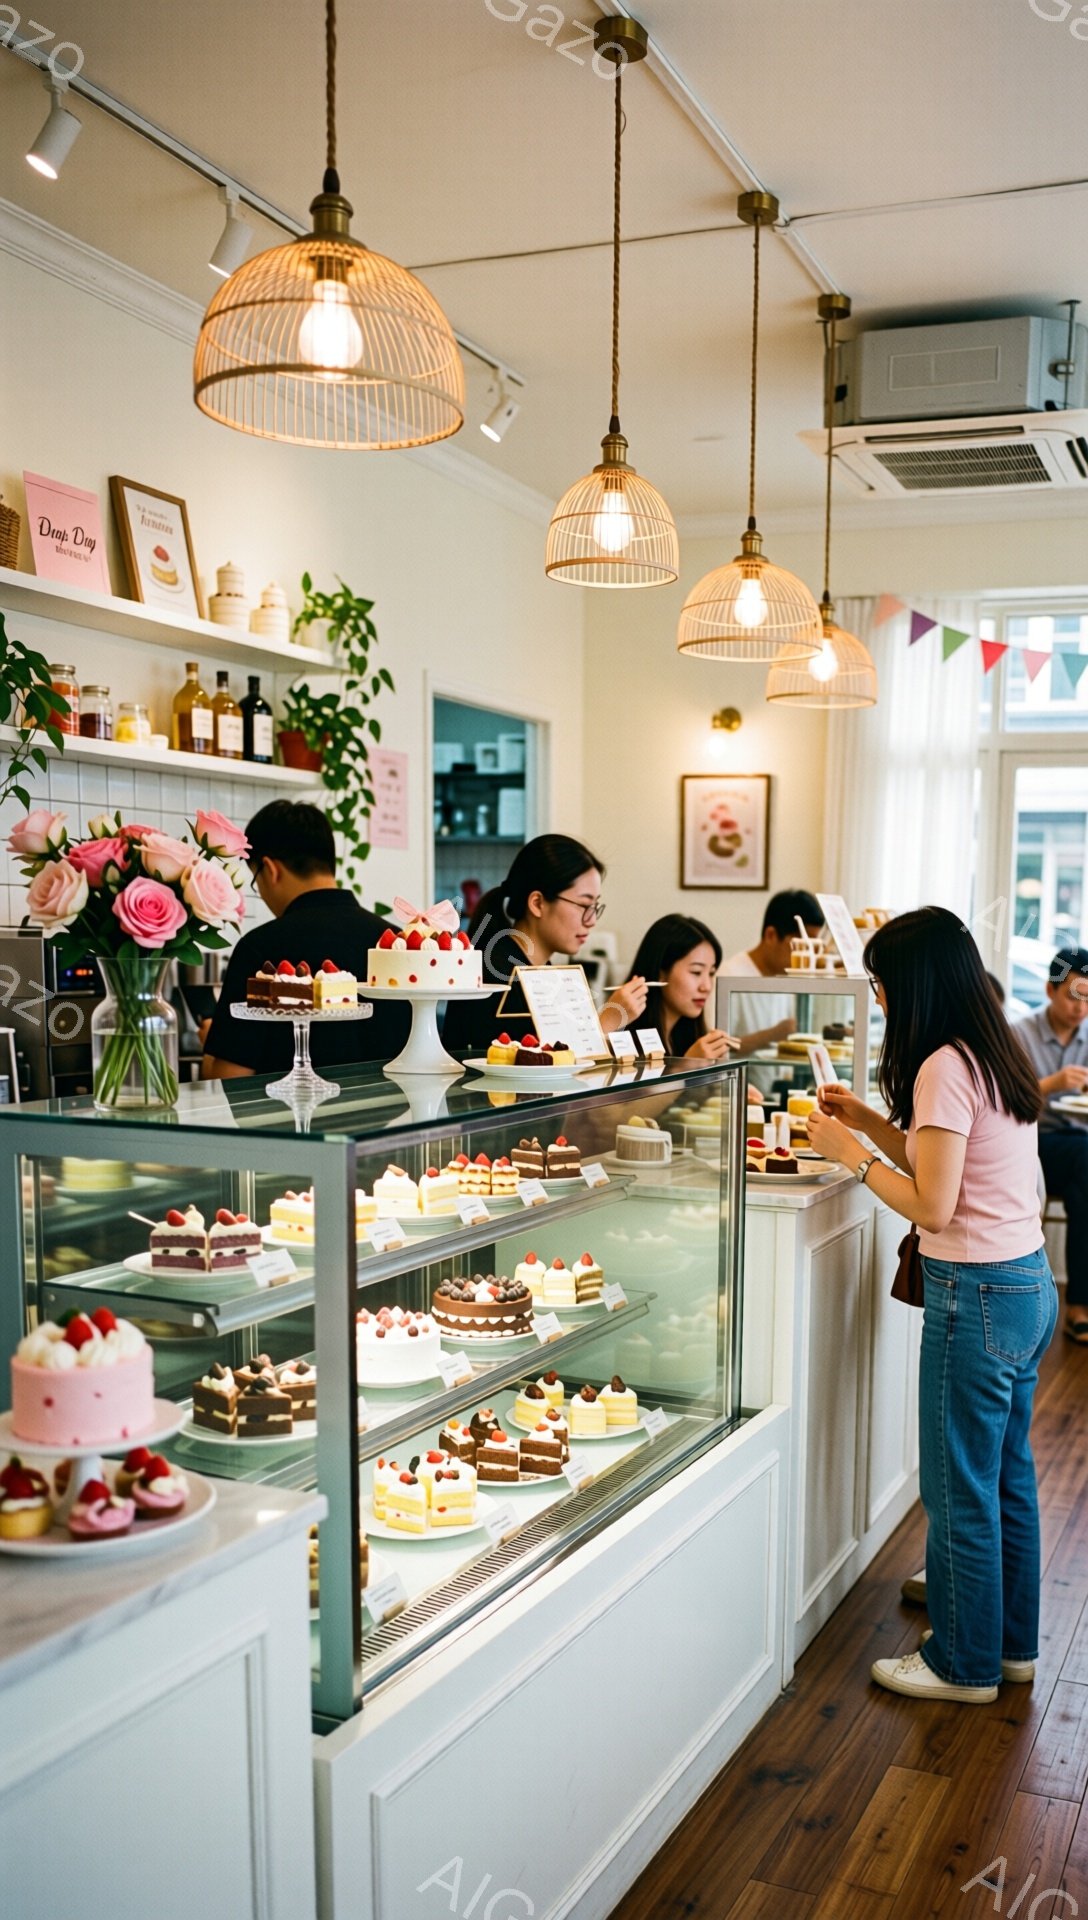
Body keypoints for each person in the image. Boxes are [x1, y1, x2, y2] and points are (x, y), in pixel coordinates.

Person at [808, 906, 1054, 1704]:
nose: (879, 999)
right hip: (1025, 1282)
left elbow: (934, 1206)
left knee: (957, 1487)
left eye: (882, 984)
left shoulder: (941, 1066)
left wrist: (850, 1158)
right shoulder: (990, 1048)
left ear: (913, 984)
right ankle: (1007, 1648)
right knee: (1004, 1477)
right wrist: (868, 1124)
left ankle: (961, 1663)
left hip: (975, 1294)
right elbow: (947, 1159)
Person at [202, 800, 409, 1079]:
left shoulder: (259, 948)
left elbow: (229, 1077)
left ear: (270, 869)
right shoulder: (395, 945)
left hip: (287, 1108)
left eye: (255, 880)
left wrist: (211, 1049)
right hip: (396, 1107)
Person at [442, 835, 647, 1056]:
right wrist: (607, 1022)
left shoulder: (540, 971)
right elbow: (533, 1064)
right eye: (583, 905)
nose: (592, 920)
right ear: (537, 903)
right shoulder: (497, 975)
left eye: (595, 907)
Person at [1014, 946, 1088, 1344]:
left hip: (1078, 1148)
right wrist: (1053, 1084)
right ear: (1049, 990)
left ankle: (1071, 1305)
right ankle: (1078, 1305)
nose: (1081, 1008)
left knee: (1083, 1185)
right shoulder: (1020, 1034)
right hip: (1031, 1144)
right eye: (1073, 996)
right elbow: (1005, 1101)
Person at [720, 889, 826, 1054]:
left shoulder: (788, 977)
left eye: (813, 947)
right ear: (771, 935)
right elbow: (718, 1049)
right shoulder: (729, 976)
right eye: (801, 946)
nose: (808, 956)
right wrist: (771, 1035)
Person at [626, 915, 734, 1061]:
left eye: (711, 973)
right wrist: (688, 1064)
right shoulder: (623, 1041)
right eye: (696, 972)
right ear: (660, 974)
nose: (707, 987)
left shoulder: (691, 1038)